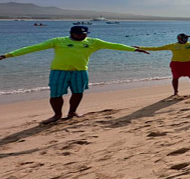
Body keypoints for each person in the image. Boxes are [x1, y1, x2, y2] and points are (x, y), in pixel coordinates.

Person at [0, 26, 149, 124]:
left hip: (80, 71)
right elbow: (34, 48)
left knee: (78, 92)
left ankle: (72, 112)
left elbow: (114, 45)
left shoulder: (93, 42)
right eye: (80, 34)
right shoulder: (58, 41)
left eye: (84, 34)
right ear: (72, 34)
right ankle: (57, 115)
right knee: (56, 94)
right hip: (59, 71)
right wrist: (8, 55)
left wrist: (134, 49)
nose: (83, 36)